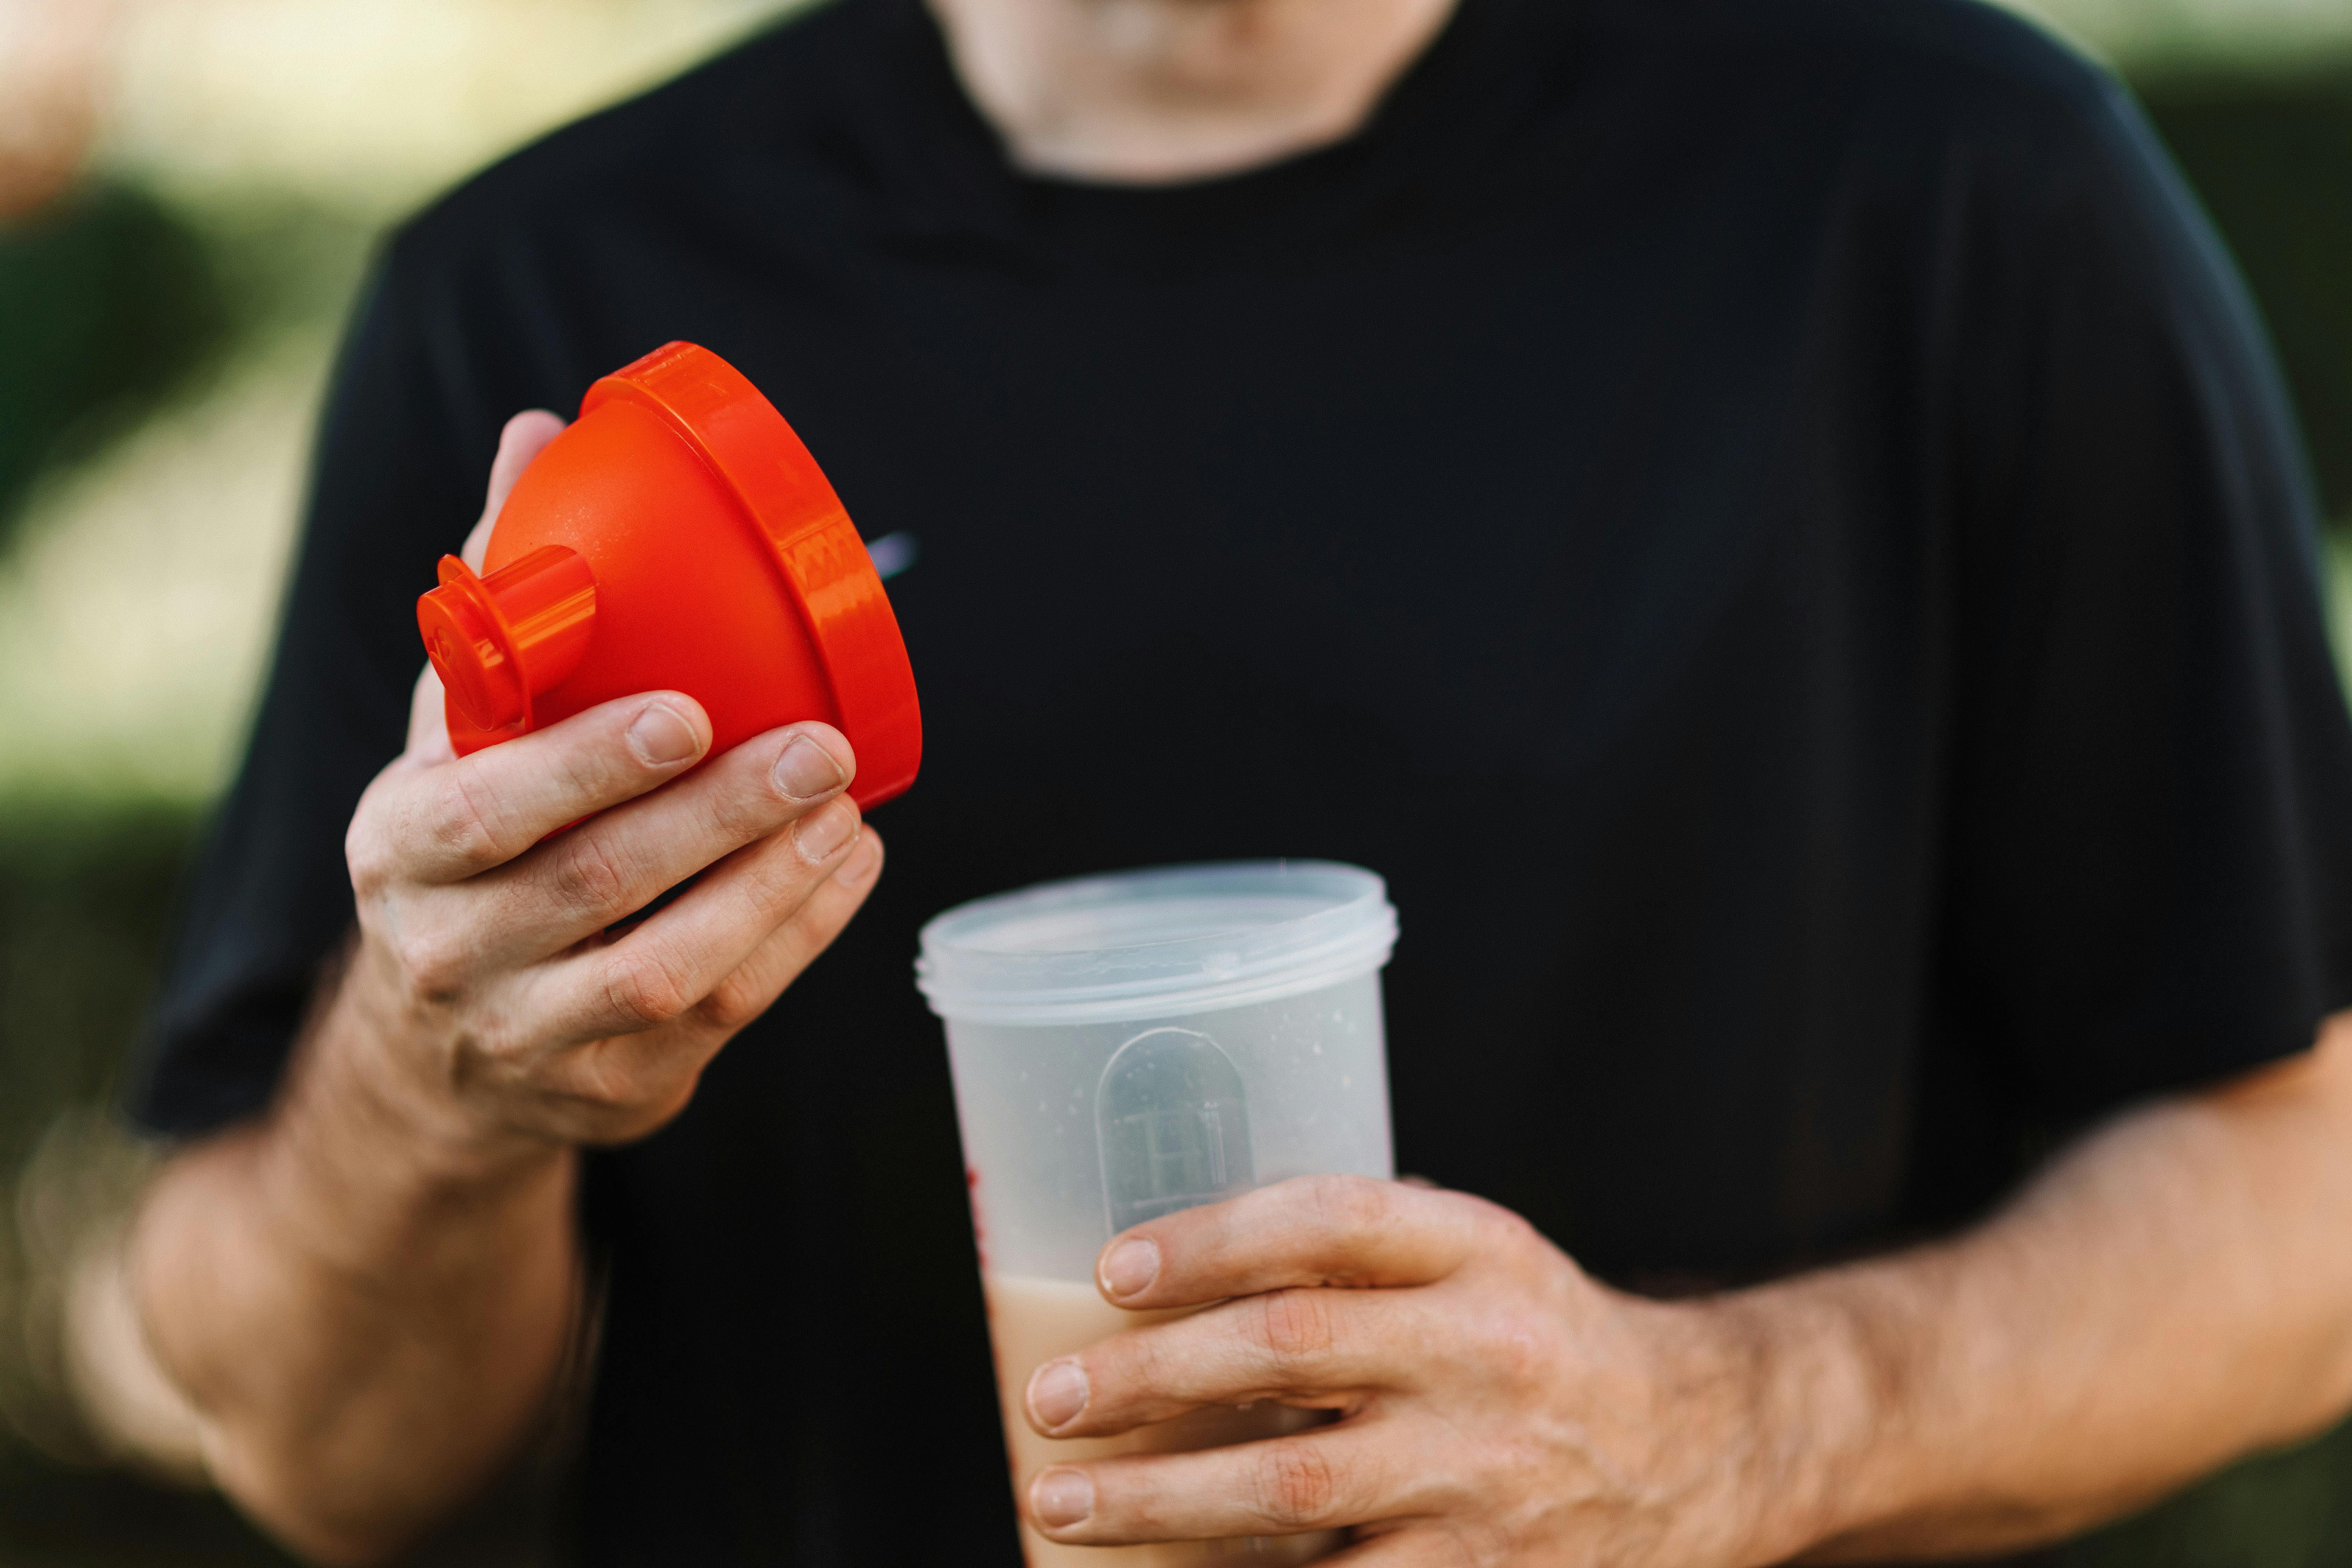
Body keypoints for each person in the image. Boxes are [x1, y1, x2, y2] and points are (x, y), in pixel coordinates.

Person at [121, 0, 2352, 1562]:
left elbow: (2300, 1203)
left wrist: (1727, 1435)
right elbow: (323, 1457)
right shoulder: (543, 301)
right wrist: (445, 1092)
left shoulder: (1958, 187)